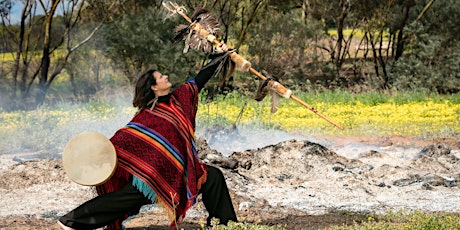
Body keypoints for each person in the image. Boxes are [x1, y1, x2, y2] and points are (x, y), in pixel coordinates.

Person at [58, 42, 237, 230]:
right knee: (127, 198)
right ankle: (71, 221)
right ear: (154, 87)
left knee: (213, 177)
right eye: (161, 77)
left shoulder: (179, 99)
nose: (166, 76)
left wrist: (219, 56)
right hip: (150, 176)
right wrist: (96, 154)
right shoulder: (147, 115)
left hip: (175, 172)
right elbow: (126, 138)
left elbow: (200, 79)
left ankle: (226, 225)